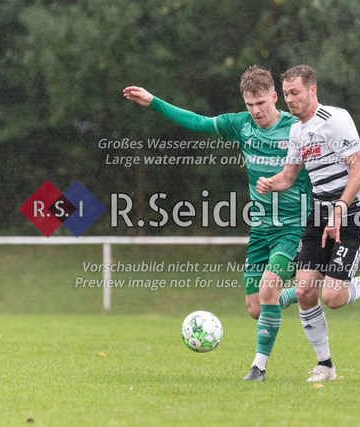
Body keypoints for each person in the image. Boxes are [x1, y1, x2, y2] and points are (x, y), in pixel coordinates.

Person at [123, 66, 311, 381]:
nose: (256, 111)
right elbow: (197, 122)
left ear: (274, 98)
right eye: (250, 104)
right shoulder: (241, 124)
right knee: (257, 308)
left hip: (294, 228)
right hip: (261, 230)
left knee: (268, 289)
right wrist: (154, 101)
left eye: (261, 103)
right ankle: (308, 288)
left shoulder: (298, 129)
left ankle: (258, 368)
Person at [256, 65, 360, 382]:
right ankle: (325, 366)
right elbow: (289, 177)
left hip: (351, 211)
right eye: (286, 94)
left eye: (295, 92)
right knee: (304, 291)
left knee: (333, 297)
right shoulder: (296, 131)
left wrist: (341, 207)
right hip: (319, 213)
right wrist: (270, 183)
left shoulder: (335, 120)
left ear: (312, 90)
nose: (290, 99)